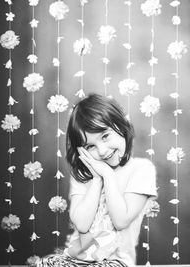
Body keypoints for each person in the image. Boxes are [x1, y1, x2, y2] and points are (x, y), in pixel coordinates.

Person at [37, 93, 157, 267]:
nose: (101, 151)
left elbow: (121, 220)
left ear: (121, 126)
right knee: (44, 264)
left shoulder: (141, 169)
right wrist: (96, 180)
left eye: (105, 136)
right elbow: (82, 224)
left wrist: (108, 175)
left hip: (115, 262)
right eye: (90, 146)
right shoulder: (84, 176)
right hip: (77, 259)